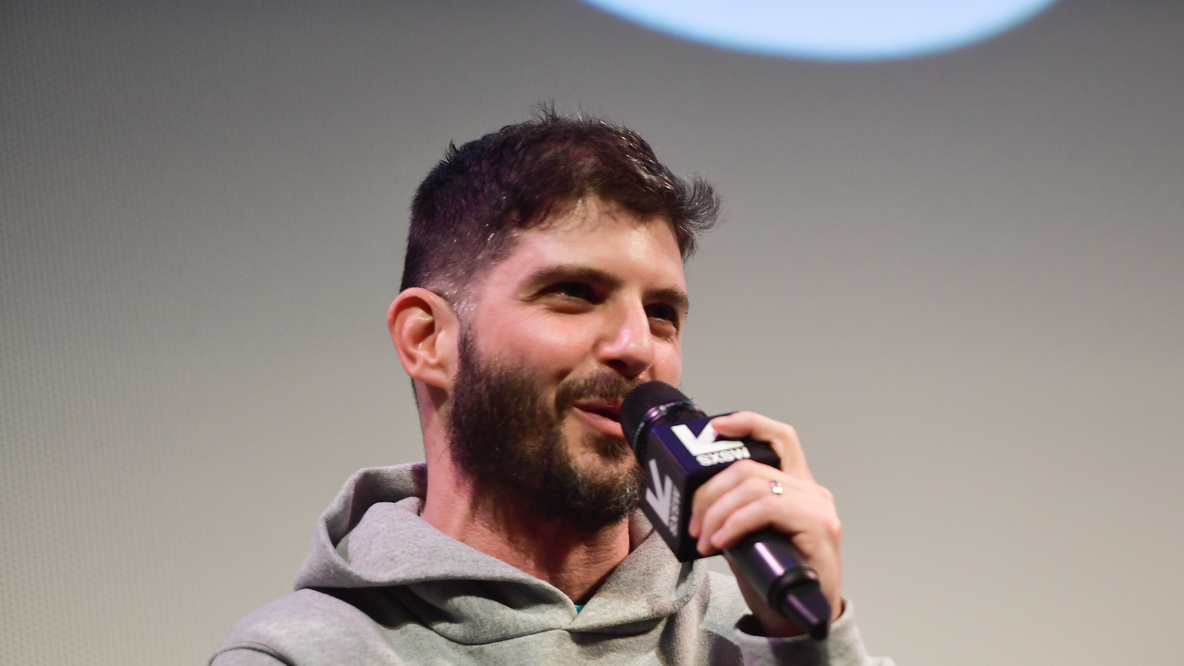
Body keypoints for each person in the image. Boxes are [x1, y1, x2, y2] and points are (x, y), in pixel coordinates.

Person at [211, 110, 892, 665]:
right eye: (574, 293)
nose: (637, 349)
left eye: (662, 313)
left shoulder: (761, 636)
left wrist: (814, 646)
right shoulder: (304, 657)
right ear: (427, 339)